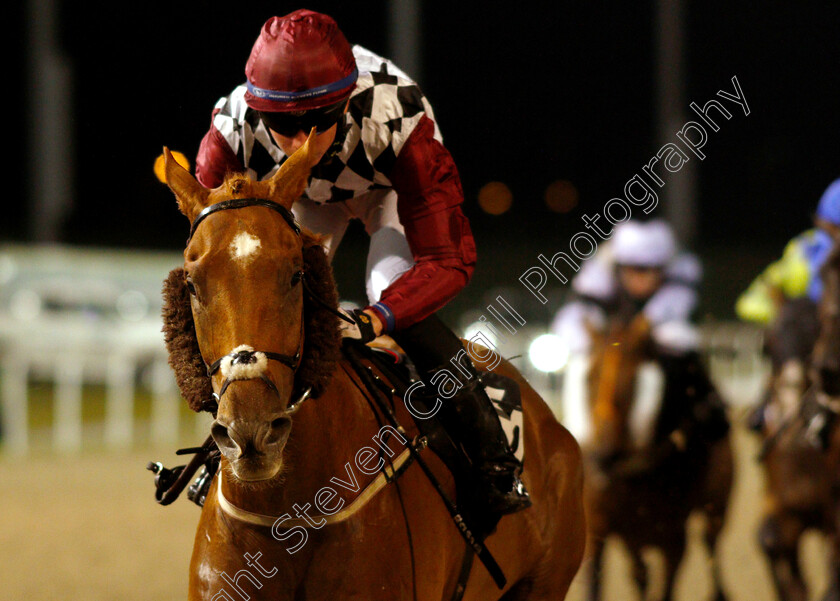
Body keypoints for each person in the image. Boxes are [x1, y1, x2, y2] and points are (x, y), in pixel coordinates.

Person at [194, 9, 529, 515]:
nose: (298, 140)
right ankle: (215, 450)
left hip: (387, 191)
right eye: (282, 123)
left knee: (388, 289)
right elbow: (215, 251)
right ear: (259, 109)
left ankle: (493, 458)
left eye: (316, 121)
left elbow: (447, 259)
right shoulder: (231, 127)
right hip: (298, 197)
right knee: (268, 305)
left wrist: (377, 318)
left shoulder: (400, 118)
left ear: (346, 101)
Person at [551, 218, 728, 450]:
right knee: (580, 363)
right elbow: (575, 317)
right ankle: (579, 440)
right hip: (613, 345)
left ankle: (698, 415)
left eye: (653, 269)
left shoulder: (681, 277)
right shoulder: (599, 273)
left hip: (653, 347)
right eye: (635, 268)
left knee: (677, 344)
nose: (644, 277)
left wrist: (644, 328)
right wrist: (590, 340)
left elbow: (673, 314)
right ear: (620, 266)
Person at [736, 178, 840, 434]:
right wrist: (777, 311)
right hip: (808, 335)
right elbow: (750, 301)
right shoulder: (803, 251)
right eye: (833, 230)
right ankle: (784, 417)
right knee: (795, 315)